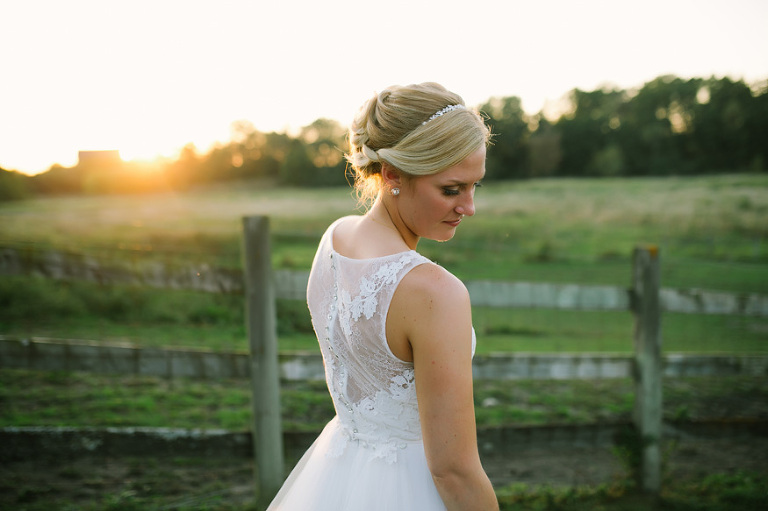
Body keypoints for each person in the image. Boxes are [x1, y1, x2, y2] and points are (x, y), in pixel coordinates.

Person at [266, 82, 499, 511]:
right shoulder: (434, 291)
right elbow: (453, 471)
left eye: (474, 187)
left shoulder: (334, 240)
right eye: (451, 189)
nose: (468, 207)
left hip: (337, 473)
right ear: (392, 174)